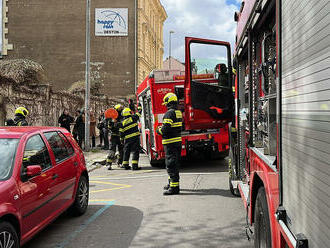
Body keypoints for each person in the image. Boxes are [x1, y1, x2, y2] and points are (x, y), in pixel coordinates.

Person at [156, 93, 182, 195]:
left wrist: (159, 130)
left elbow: (165, 129)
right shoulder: (178, 112)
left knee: (171, 165)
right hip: (176, 142)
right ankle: (171, 183)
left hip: (170, 143)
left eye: (165, 103)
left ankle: (174, 188)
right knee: (173, 164)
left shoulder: (169, 113)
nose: (165, 105)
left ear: (168, 102)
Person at [106, 104, 124, 170]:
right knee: (112, 150)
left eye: (121, 110)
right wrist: (112, 123)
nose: (120, 111)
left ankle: (120, 163)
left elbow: (123, 125)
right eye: (119, 110)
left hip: (120, 136)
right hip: (113, 136)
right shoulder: (111, 117)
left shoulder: (122, 117)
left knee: (121, 150)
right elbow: (109, 127)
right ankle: (109, 164)